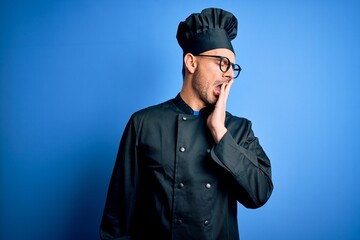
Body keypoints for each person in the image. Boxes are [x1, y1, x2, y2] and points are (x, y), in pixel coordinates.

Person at [100, 8, 273, 240]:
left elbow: (259, 193)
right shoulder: (143, 124)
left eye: (232, 66)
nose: (229, 74)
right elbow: (117, 222)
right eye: (222, 63)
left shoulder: (239, 129)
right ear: (191, 62)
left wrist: (219, 132)